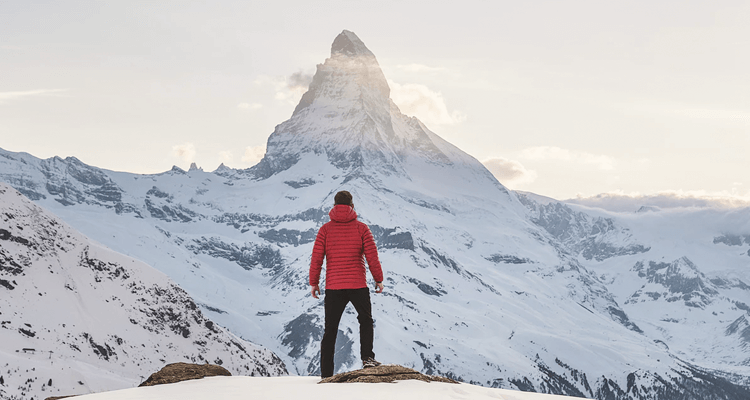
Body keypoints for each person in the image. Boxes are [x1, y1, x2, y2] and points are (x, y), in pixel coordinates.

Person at [309, 190, 385, 378]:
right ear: (352, 206)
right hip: (358, 285)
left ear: (334, 206)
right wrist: (379, 279)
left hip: (334, 287)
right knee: (365, 320)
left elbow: (317, 258)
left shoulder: (325, 230)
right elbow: (372, 257)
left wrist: (314, 283)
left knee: (330, 329)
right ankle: (367, 358)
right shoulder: (362, 228)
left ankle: (326, 374)